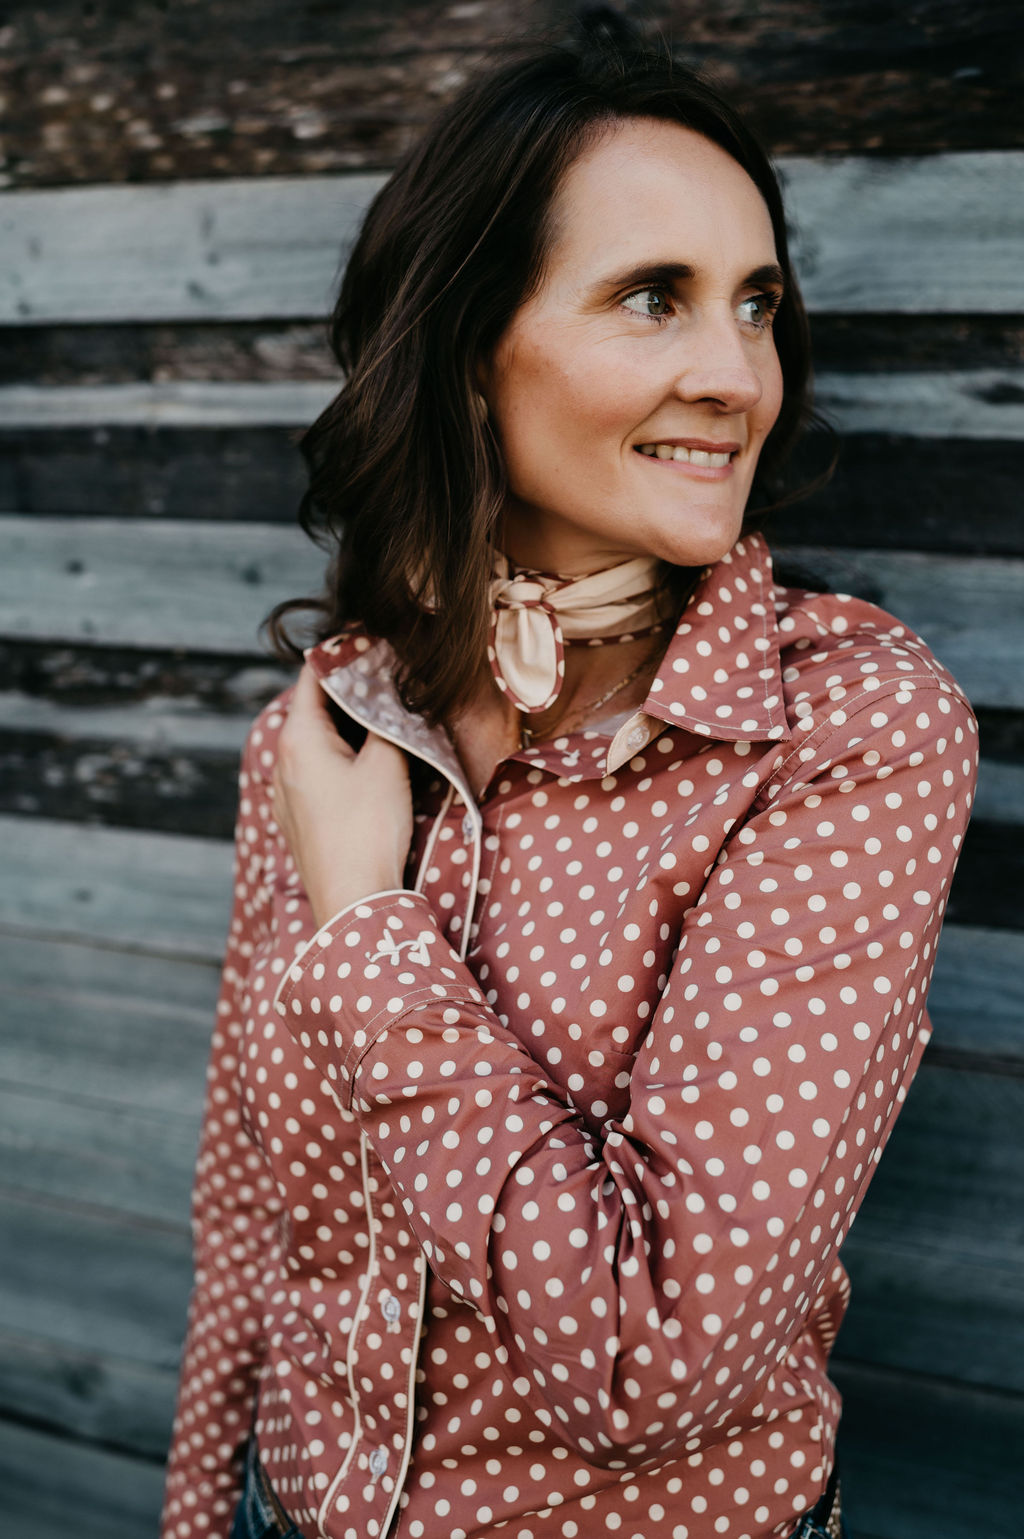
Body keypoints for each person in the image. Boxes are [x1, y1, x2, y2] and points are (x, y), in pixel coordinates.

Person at [160, 13, 977, 1539]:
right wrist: (204, 1516)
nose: (737, 374)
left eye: (758, 304)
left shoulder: (843, 733)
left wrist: (366, 942)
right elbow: (254, 1228)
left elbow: (650, 1359)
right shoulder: (334, 725)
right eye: (653, 299)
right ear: (472, 346)